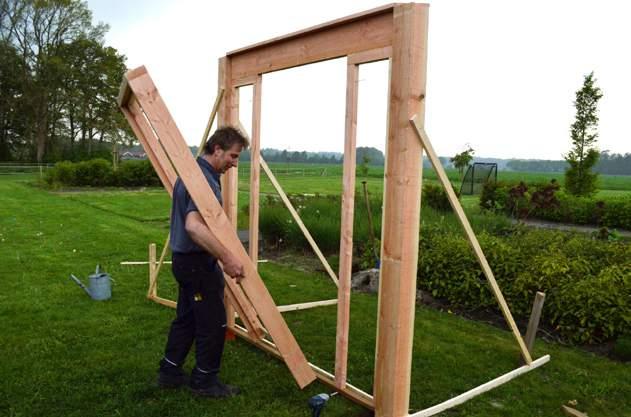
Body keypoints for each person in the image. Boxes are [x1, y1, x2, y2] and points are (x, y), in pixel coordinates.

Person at [157, 126, 249, 398]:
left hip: (183, 262)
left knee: (186, 319)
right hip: (197, 265)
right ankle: (205, 382)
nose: (234, 163)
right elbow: (194, 227)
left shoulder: (190, 173)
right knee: (212, 322)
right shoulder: (202, 182)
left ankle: (169, 372)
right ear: (217, 149)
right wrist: (228, 257)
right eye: (233, 156)